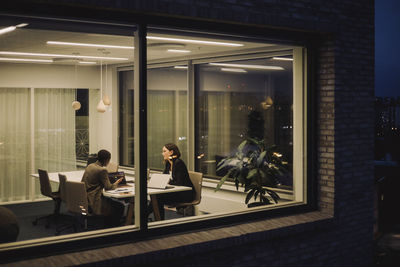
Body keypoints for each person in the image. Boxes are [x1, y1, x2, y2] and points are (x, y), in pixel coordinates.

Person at [148, 143, 194, 220]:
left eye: (164, 151)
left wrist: (168, 182)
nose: (162, 153)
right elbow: (164, 177)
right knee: (156, 196)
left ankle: (146, 216)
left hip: (185, 194)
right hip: (176, 192)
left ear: (171, 152)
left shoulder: (179, 163)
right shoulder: (168, 163)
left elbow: (179, 182)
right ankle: (158, 220)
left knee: (157, 197)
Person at [81, 149, 124, 227]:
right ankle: (113, 226)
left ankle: (107, 223)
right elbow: (108, 187)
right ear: (107, 160)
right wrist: (117, 183)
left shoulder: (90, 166)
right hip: (95, 199)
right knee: (120, 206)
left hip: (86, 197)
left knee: (112, 202)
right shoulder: (102, 170)